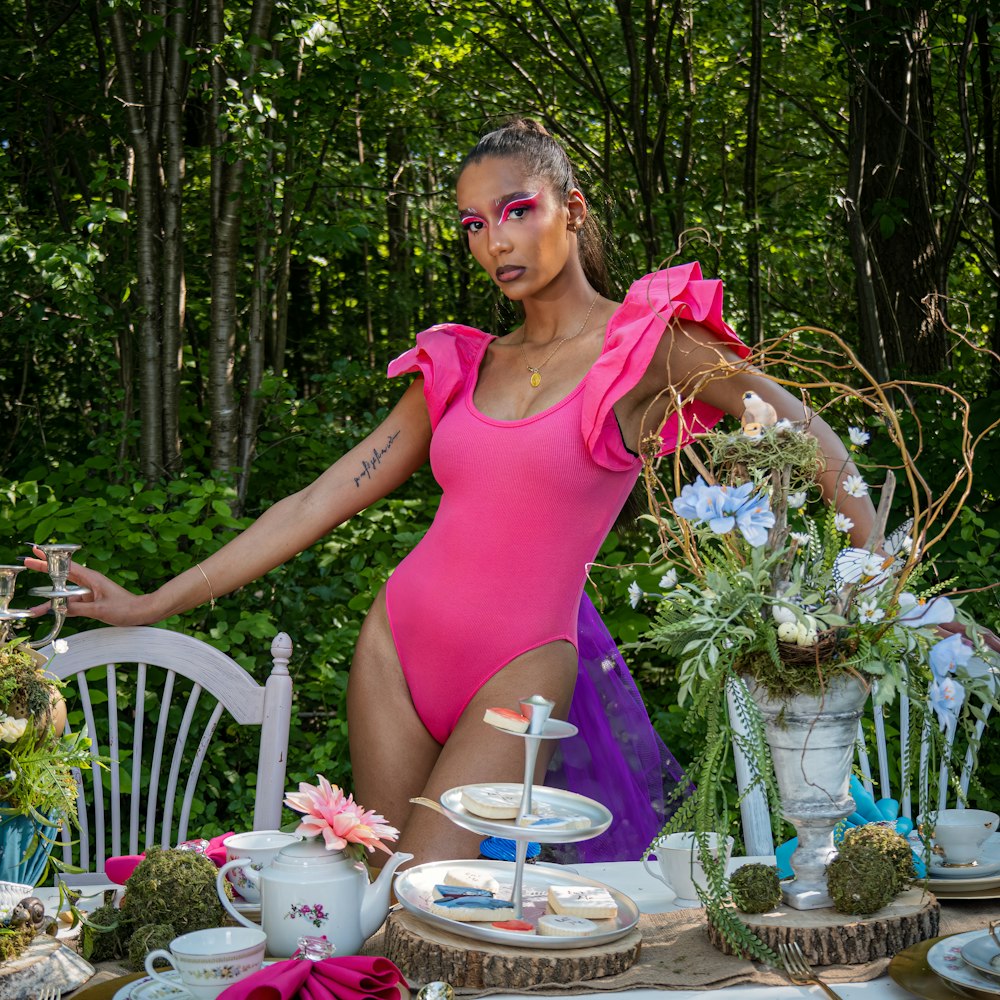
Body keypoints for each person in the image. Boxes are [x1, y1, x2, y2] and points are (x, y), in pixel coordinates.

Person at [27, 120, 876, 867]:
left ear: (571, 210)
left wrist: (867, 582)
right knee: (372, 899)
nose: (494, 242)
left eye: (516, 210)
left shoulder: (650, 346)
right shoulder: (462, 365)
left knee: (425, 899)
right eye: (474, 224)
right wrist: (151, 603)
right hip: (398, 649)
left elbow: (813, 437)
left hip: (525, 661)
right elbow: (314, 502)